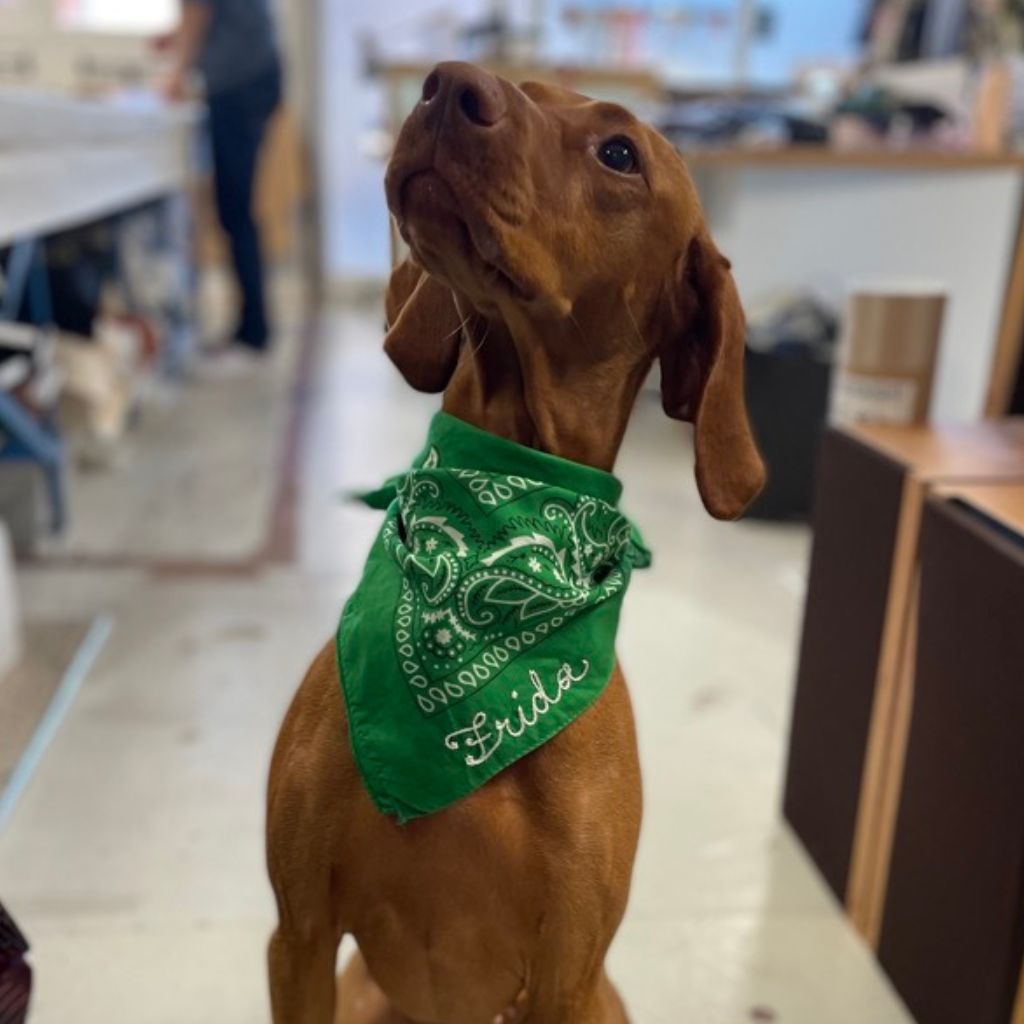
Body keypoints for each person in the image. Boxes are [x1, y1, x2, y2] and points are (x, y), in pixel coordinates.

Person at [163, 0, 282, 355]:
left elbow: (198, 11)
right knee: (237, 209)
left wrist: (176, 74)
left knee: (235, 210)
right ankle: (252, 324)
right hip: (255, 76)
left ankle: (253, 329)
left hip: (238, 84)